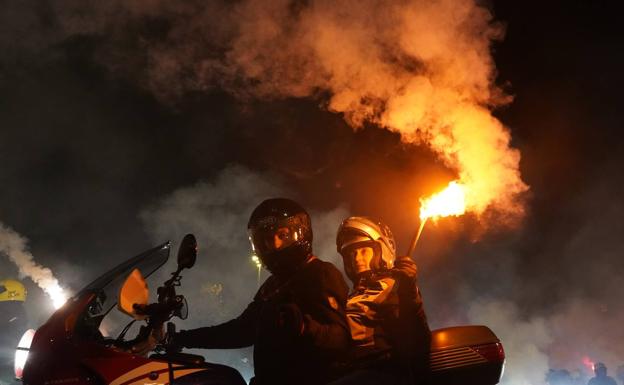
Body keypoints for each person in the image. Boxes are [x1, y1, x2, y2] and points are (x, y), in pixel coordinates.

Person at [172, 198, 351, 385]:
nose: (274, 244)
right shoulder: (272, 285)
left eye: (282, 235)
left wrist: (304, 327)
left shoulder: (320, 272)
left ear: (301, 233)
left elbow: (340, 340)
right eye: (266, 240)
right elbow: (241, 330)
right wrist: (181, 338)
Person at [330, 216, 431, 385]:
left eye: (363, 250)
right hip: (351, 373)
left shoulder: (393, 287)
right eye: (351, 253)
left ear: (381, 251)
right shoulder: (352, 296)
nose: (356, 258)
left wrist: (409, 292)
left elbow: (416, 338)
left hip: (382, 372)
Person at [0, 279, 28, 384]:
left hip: (8, 365)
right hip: (10, 365)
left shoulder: (9, 309)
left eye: (1, 290)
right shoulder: (18, 310)